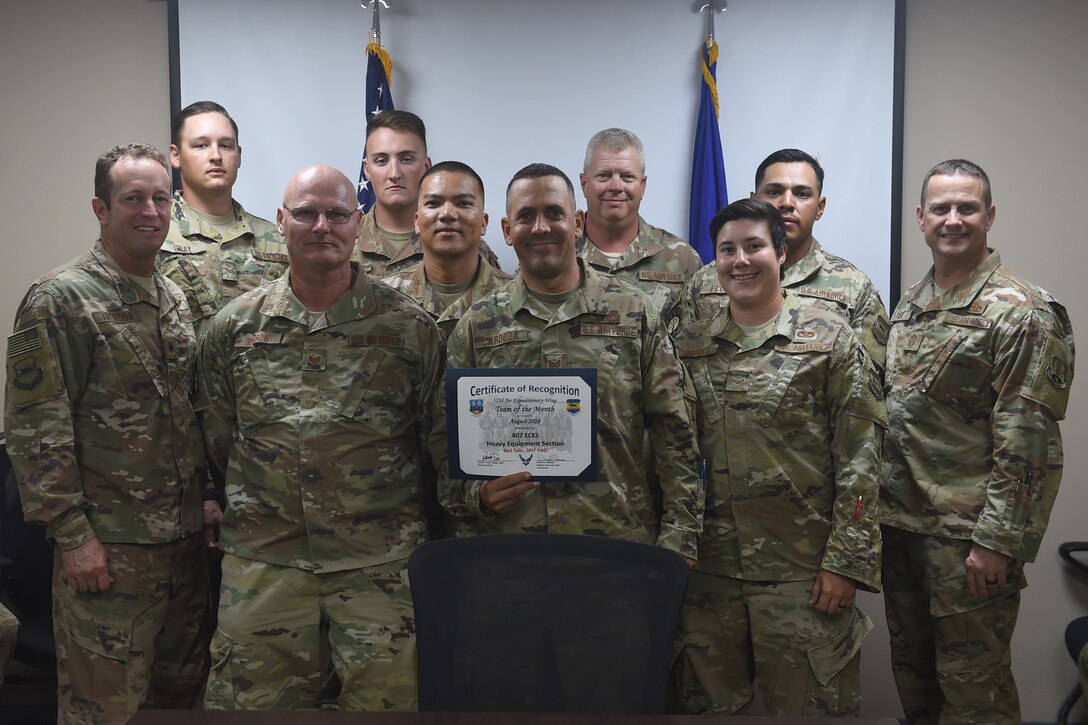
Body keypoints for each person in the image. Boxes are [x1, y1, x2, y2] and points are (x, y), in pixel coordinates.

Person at [198, 164, 444, 711]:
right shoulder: (233, 327)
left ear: (358, 225)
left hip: (377, 568)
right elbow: (218, 438)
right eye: (306, 213)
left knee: (390, 710)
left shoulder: (409, 328)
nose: (321, 226)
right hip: (265, 565)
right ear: (281, 222)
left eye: (336, 214)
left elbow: (436, 445)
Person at [4, 144, 209, 724]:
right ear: (100, 207)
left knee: (180, 701)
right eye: (133, 198)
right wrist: (73, 536)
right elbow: (36, 426)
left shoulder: (171, 297)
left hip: (184, 541)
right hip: (109, 549)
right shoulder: (61, 299)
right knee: (105, 710)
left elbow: (186, 413)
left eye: (161, 198)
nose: (150, 210)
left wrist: (207, 501)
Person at [671, 198, 884, 716]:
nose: (740, 260)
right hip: (708, 573)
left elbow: (861, 456)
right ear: (713, 261)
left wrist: (845, 564)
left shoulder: (829, 337)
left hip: (802, 573)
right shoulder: (686, 343)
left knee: (806, 714)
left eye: (754, 246)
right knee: (709, 714)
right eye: (727, 250)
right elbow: (670, 452)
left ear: (781, 252)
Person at [881, 159, 1074, 724]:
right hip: (905, 530)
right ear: (921, 218)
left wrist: (996, 543)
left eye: (967, 207)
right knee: (917, 687)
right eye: (941, 208)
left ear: (990, 216)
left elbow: (1028, 441)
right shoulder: (914, 302)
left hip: (967, 542)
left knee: (975, 699)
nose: (953, 219)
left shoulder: (1022, 311)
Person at [438, 163, 703, 562]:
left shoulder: (633, 312)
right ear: (508, 231)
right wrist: (477, 495)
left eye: (554, 213)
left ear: (577, 222)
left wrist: (680, 540)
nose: (541, 227)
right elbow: (443, 441)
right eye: (526, 216)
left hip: (615, 547)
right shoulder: (475, 326)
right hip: (509, 552)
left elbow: (675, 432)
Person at [677, 149, 889, 375]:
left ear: (820, 207)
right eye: (774, 191)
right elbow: (676, 366)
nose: (787, 203)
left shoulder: (853, 288)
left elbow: (866, 383)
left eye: (802, 194)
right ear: (754, 199)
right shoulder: (705, 281)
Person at [159, 101, 288, 338]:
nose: (216, 156)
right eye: (201, 145)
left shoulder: (278, 239)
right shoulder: (155, 233)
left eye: (226, 146)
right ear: (175, 156)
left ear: (239, 156)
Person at [576, 128, 702, 322]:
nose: (616, 187)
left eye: (627, 177)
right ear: (584, 184)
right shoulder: (558, 252)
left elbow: (699, 335)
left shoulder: (682, 258)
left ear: (642, 186)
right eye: (603, 176)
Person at [356, 110, 501, 276]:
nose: (394, 174)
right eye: (381, 161)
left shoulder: (471, 246)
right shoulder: (344, 243)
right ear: (367, 170)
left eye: (406, 159)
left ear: (426, 166)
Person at [381, 160, 512, 336]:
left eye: (463, 203)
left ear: (483, 222)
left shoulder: (517, 298)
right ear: (417, 222)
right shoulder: (382, 297)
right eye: (433, 203)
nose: (447, 214)